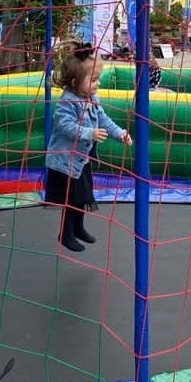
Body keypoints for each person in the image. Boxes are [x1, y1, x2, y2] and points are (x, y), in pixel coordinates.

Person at [46, 45, 132, 252]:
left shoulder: (92, 98)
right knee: (71, 200)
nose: (98, 83)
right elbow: (63, 125)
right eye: (93, 80)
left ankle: (79, 228)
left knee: (83, 196)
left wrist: (120, 133)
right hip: (65, 161)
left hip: (81, 159)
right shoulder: (67, 102)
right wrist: (88, 133)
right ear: (75, 83)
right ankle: (65, 234)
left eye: (98, 79)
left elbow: (104, 119)